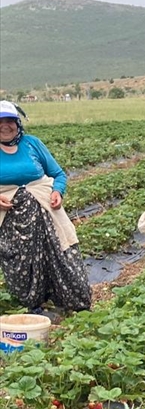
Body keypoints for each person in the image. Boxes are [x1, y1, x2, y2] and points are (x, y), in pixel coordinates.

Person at [0, 101, 92, 313]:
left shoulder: (32, 144)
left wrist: (57, 191)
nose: (5, 126)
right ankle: (32, 306)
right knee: (21, 264)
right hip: (11, 220)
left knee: (62, 254)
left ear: (18, 123)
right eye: (0, 121)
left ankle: (73, 302)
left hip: (46, 211)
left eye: (10, 121)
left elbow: (58, 174)